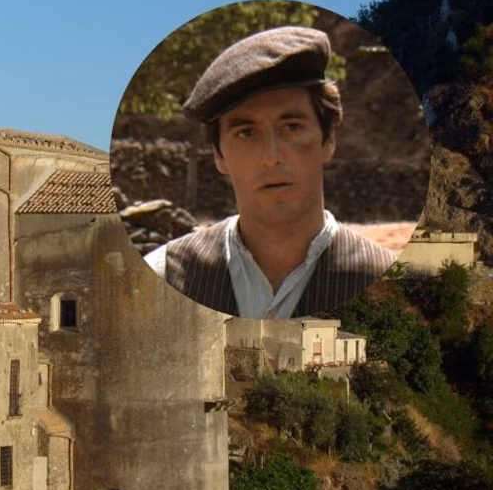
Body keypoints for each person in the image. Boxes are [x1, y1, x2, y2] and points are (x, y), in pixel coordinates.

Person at [144, 26, 395, 319]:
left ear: (328, 141)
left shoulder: (392, 288)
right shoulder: (163, 278)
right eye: (246, 133)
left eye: (292, 128)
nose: (271, 157)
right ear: (218, 155)